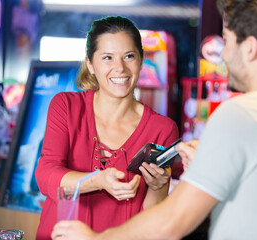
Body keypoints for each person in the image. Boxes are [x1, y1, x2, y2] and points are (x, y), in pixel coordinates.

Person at [51, 0, 257, 239]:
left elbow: (172, 222)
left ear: (250, 48)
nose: (224, 54)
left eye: (227, 41)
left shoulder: (240, 115)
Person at [35, 16, 179, 240]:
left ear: (141, 61)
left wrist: (158, 186)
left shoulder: (163, 129)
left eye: (129, 56)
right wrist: (97, 181)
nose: (119, 68)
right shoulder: (66, 106)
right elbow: (46, 176)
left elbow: (152, 222)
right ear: (90, 64)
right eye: (107, 58)